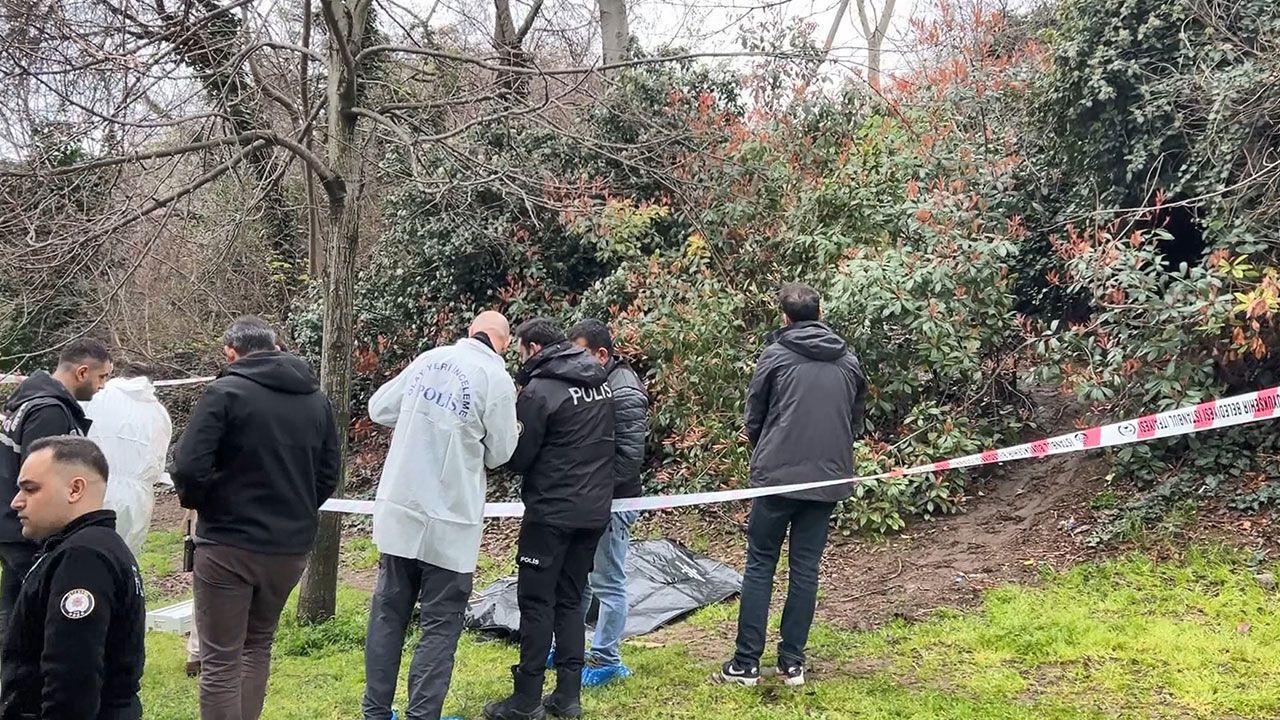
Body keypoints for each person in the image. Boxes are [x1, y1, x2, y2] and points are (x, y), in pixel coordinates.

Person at [172, 316, 341, 720]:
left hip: (227, 544)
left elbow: (188, 467)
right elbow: (328, 473)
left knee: (220, 659)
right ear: (276, 346)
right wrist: (297, 507)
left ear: (231, 353)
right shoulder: (316, 400)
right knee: (257, 646)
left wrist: (204, 504)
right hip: (289, 548)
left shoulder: (224, 393)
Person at [362, 311, 520, 720]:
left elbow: (379, 407)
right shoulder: (496, 379)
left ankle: (375, 712)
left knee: (388, 615)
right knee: (439, 625)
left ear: (470, 331)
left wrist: (418, 418)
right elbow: (502, 452)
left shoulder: (429, 360)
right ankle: (422, 715)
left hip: (402, 510)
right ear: (504, 343)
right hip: (451, 520)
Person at [713, 283, 867, 688]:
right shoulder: (848, 360)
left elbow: (754, 416)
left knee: (760, 564)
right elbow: (855, 421)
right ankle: (792, 662)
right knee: (805, 569)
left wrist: (767, 451)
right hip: (828, 478)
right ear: (820, 312)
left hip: (777, 479)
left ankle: (746, 663)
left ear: (785, 317)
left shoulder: (776, 355)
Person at [484, 319, 615, 720]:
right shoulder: (600, 382)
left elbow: (518, 457)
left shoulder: (540, 391)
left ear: (534, 348)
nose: (519, 358)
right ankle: (568, 695)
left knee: (536, 601)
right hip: (594, 511)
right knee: (571, 600)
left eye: (521, 350)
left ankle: (526, 699)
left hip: (551, 513)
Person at [0, 436, 145, 720]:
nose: (16, 502)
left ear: (75, 489)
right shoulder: (97, 547)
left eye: (31, 489)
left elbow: (72, 677)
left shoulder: (83, 558)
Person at [0, 337, 112, 656]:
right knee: (37, 614)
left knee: (15, 610)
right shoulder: (49, 412)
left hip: (12, 525)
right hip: (27, 530)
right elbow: (42, 479)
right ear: (82, 372)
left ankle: (12, 672)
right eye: (101, 377)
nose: (103, 386)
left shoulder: (31, 403)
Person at [566, 319, 648, 688]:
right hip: (591, 498)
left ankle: (606, 658)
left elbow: (629, 459)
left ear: (602, 354)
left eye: (581, 354)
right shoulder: (593, 383)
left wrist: (594, 492)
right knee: (581, 577)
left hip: (615, 501)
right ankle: (570, 647)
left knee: (608, 580)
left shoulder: (624, 390)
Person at [82, 364, 174, 556]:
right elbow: (158, 459)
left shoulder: (97, 396)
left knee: (88, 550)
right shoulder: (159, 412)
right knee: (126, 556)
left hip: (94, 485)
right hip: (137, 496)